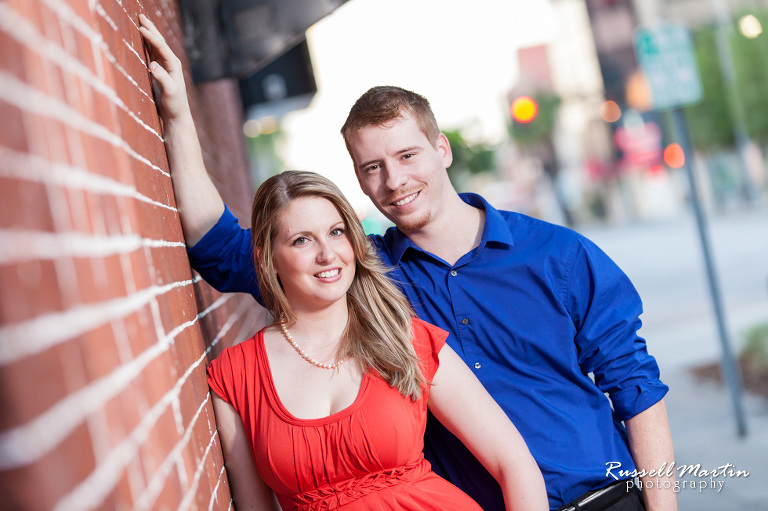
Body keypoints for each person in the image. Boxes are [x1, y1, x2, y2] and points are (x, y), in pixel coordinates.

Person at [139, 13, 677, 511]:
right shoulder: (360, 275)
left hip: (602, 499)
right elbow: (221, 247)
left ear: (441, 149)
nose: (393, 181)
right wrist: (179, 117)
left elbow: (636, 390)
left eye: (407, 156)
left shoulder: (559, 254)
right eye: (371, 167)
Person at [204, 170, 547, 510]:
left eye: (336, 232)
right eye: (302, 240)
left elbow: (514, 462)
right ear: (267, 256)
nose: (327, 254)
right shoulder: (234, 377)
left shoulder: (405, 338)